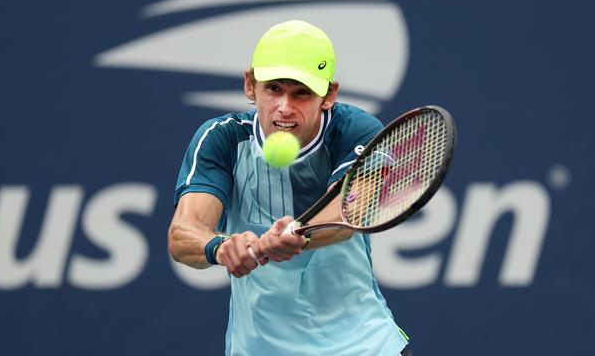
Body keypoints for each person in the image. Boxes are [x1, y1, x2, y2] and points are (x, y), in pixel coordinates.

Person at [168, 19, 412, 356]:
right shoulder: (222, 138)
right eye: (274, 89)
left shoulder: (356, 131)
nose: (285, 107)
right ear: (250, 85)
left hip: (365, 348)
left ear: (329, 94)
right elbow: (183, 233)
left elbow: (347, 212)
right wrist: (221, 247)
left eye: (301, 93)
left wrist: (298, 235)